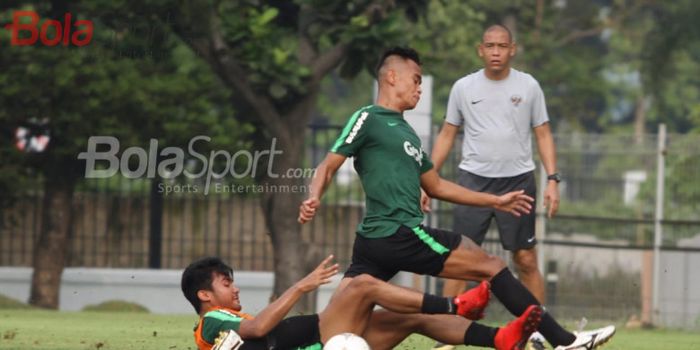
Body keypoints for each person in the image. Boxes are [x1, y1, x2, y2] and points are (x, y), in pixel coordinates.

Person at [298, 47, 614, 350]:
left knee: (335, 328)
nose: (419, 88)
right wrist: (313, 196)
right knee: (491, 265)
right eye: (416, 79)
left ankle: (503, 339)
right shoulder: (368, 118)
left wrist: (495, 200)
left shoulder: (406, 133)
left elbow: (436, 185)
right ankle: (565, 341)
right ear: (392, 77)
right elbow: (328, 165)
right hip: (398, 233)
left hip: (375, 244)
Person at [428, 24, 559, 350]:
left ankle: (539, 331)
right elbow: (447, 134)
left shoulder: (528, 86)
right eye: (490, 46)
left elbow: (543, 134)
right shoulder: (463, 87)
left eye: (502, 46)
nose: (496, 52)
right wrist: (426, 180)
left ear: (512, 49)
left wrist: (553, 180)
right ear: (480, 50)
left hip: (518, 181)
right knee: (459, 260)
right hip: (473, 182)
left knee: (525, 259)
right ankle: (449, 335)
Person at [181, 255, 544, 350]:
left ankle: (498, 339)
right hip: (323, 340)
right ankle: (455, 305)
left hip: (326, 337)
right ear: (204, 295)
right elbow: (260, 328)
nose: (235, 289)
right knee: (360, 287)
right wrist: (301, 286)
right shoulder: (211, 322)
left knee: (411, 317)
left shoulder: (229, 319)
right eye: (227, 283)